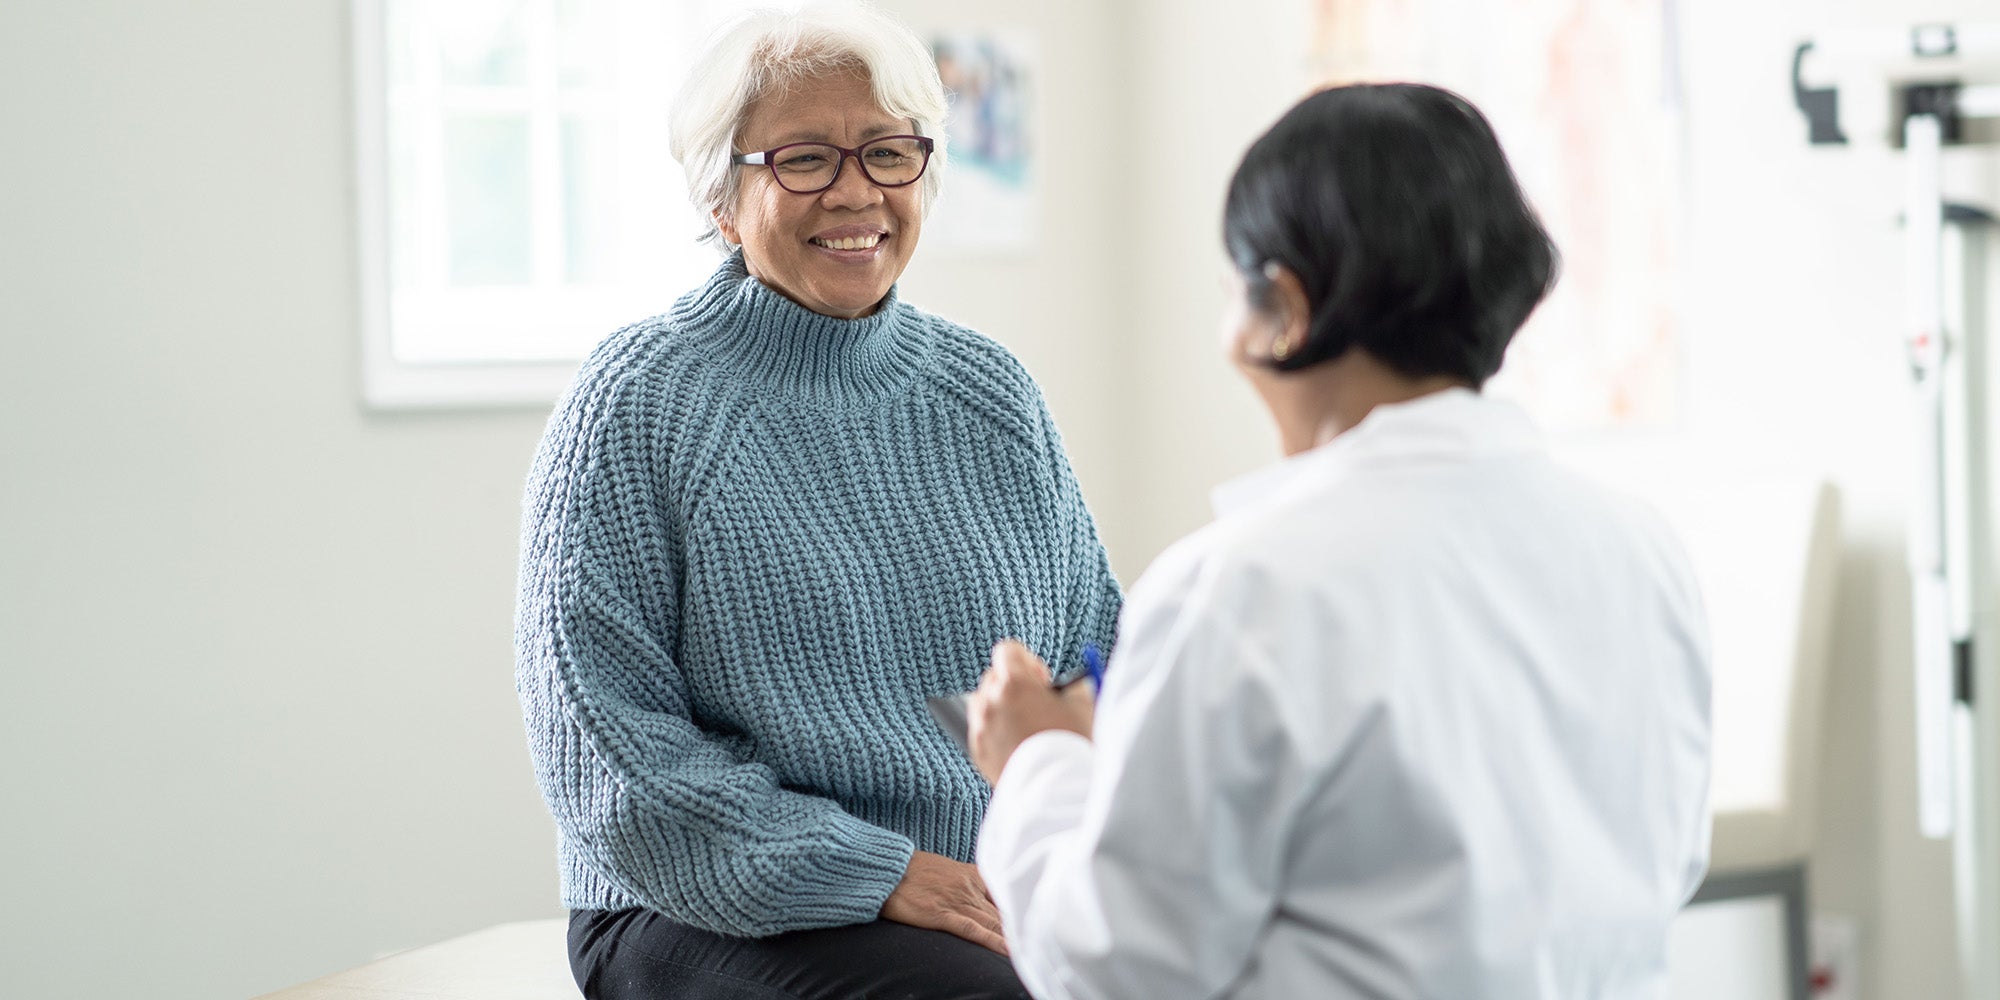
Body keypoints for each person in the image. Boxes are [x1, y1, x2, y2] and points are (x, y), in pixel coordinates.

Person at [966, 83, 1712, 999]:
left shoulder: (1241, 587)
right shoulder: (1642, 549)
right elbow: (1665, 865)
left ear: (1283, 308)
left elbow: (1116, 970)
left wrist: (1038, 763)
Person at [513, 6, 1121, 999]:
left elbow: (1096, 659)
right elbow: (609, 755)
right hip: (694, 896)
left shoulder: (990, 393)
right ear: (721, 196)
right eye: (804, 159)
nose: (857, 192)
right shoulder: (637, 404)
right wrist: (877, 871)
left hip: (982, 881)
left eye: (888, 153)